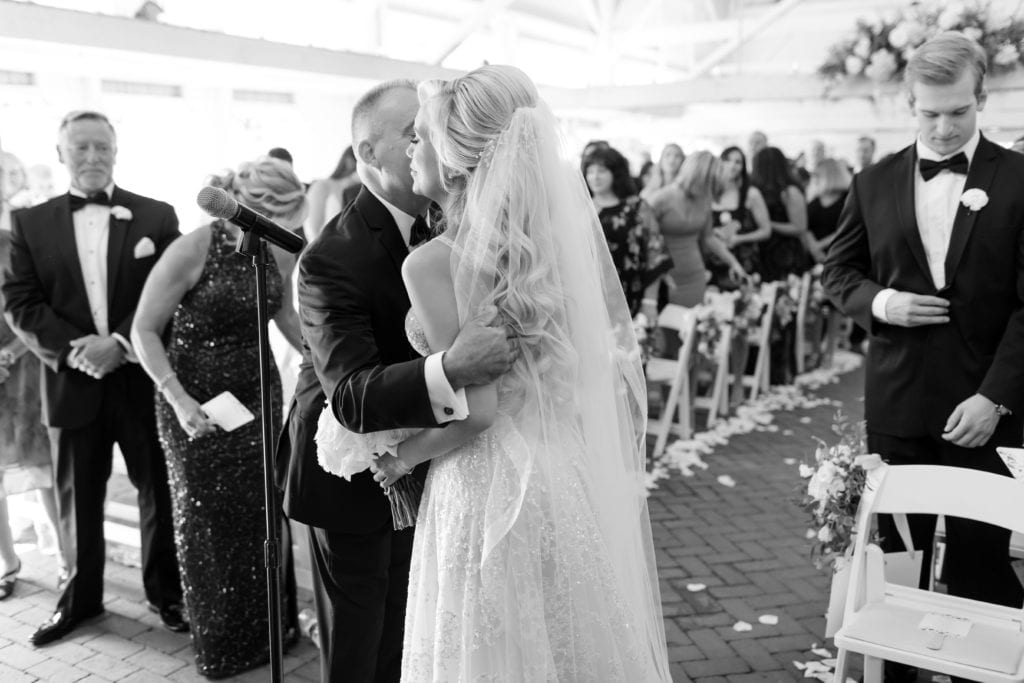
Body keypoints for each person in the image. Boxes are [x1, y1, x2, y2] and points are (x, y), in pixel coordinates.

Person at [370, 62, 670, 682]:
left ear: (456, 156)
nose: (411, 147)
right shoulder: (546, 249)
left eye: (420, 134)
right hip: (557, 470)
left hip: (485, 489)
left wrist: (400, 456)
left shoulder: (433, 263)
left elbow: (476, 414)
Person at [274, 79, 515, 683]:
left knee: (416, 630)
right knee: (360, 643)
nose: (425, 145)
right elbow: (351, 395)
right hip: (350, 472)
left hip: (431, 461)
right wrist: (453, 367)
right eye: (414, 135)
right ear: (368, 153)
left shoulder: (461, 221)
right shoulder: (331, 257)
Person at [824, 31, 1024, 679]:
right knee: (895, 567)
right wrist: (884, 303)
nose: (942, 128)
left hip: (987, 408)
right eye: (928, 112)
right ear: (908, 102)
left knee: (981, 567)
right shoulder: (872, 182)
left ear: (982, 100)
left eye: (958, 112)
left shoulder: (1019, 180)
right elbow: (838, 273)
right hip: (897, 407)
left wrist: (995, 396)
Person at [2, 110, 183, 646]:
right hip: (70, 380)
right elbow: (20, 301)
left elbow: (171, 291)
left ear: (116, 151)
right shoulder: (30, 225)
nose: (91, 157)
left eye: (101, 147)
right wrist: (76, 350)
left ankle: (167, 594)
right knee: (77, 497)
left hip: (141, 377)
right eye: (79, 147)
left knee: (158, 491)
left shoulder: (157, 216)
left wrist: (121, 343)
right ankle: (79, 602)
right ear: (60, 154)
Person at [131, 157, 305, 678]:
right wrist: (179, 400)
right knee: (207, 522)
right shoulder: (192, 249)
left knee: (261, 515)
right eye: (276, 216)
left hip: (258, 397)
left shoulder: (278, 248)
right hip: (194, 404)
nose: (283, 229)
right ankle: (224, 644)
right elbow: (143, 331)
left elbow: (282, 311)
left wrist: (324, 360)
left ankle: (271, 632)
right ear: (249, 207)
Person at [0, 146, 67, 601]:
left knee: (42, 463)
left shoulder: (19, 234)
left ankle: (68, 557)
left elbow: (36, 301)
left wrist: (9, 350)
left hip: (22, 364)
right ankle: (7, 562)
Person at [583, 145, 672, 317]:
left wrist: (650, 301)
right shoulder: (580, 209)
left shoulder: (636, 207)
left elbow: (656, 253)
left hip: (630, 296)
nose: (595, 177)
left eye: (602, 170)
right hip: (589, 299)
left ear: (615, 173)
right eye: (590, 171)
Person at [648, 150, 746, 307]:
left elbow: (708, 238)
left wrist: (733, 263)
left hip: (695, 274)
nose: (710, 190)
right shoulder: (661, 199)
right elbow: (646, 240)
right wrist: (659, 273)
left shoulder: (705, 199)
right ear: (697, 177)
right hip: (665, 277)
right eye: (709, 183)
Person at [707, 145, 771, 287]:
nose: (732, 166)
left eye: (738, 162)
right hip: (714, 265)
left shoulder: (751, 194)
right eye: (728, 160)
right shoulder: (709, 193)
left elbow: (766, 231)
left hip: (745, 264)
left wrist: (739, 239)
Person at [752, 146, 814, 280]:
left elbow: (799, 227)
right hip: (764, 252)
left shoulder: (790, 191)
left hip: (785, 254)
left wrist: (768, 225)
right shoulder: (758, 191)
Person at [304, 146, 360, 243]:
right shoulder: (322, 185)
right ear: (349, 161)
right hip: (324, 250)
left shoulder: (360, 191)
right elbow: (312, 229)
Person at [806, 158, 851, 258]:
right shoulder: (815, 198)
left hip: (840, 253)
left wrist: (819, 246)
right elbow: (806, 227)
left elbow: (848, 228)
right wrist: (814, 249)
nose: (814, 179)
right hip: (814, 257)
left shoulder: (848, 198)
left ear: (831, 175)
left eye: (817, 175)